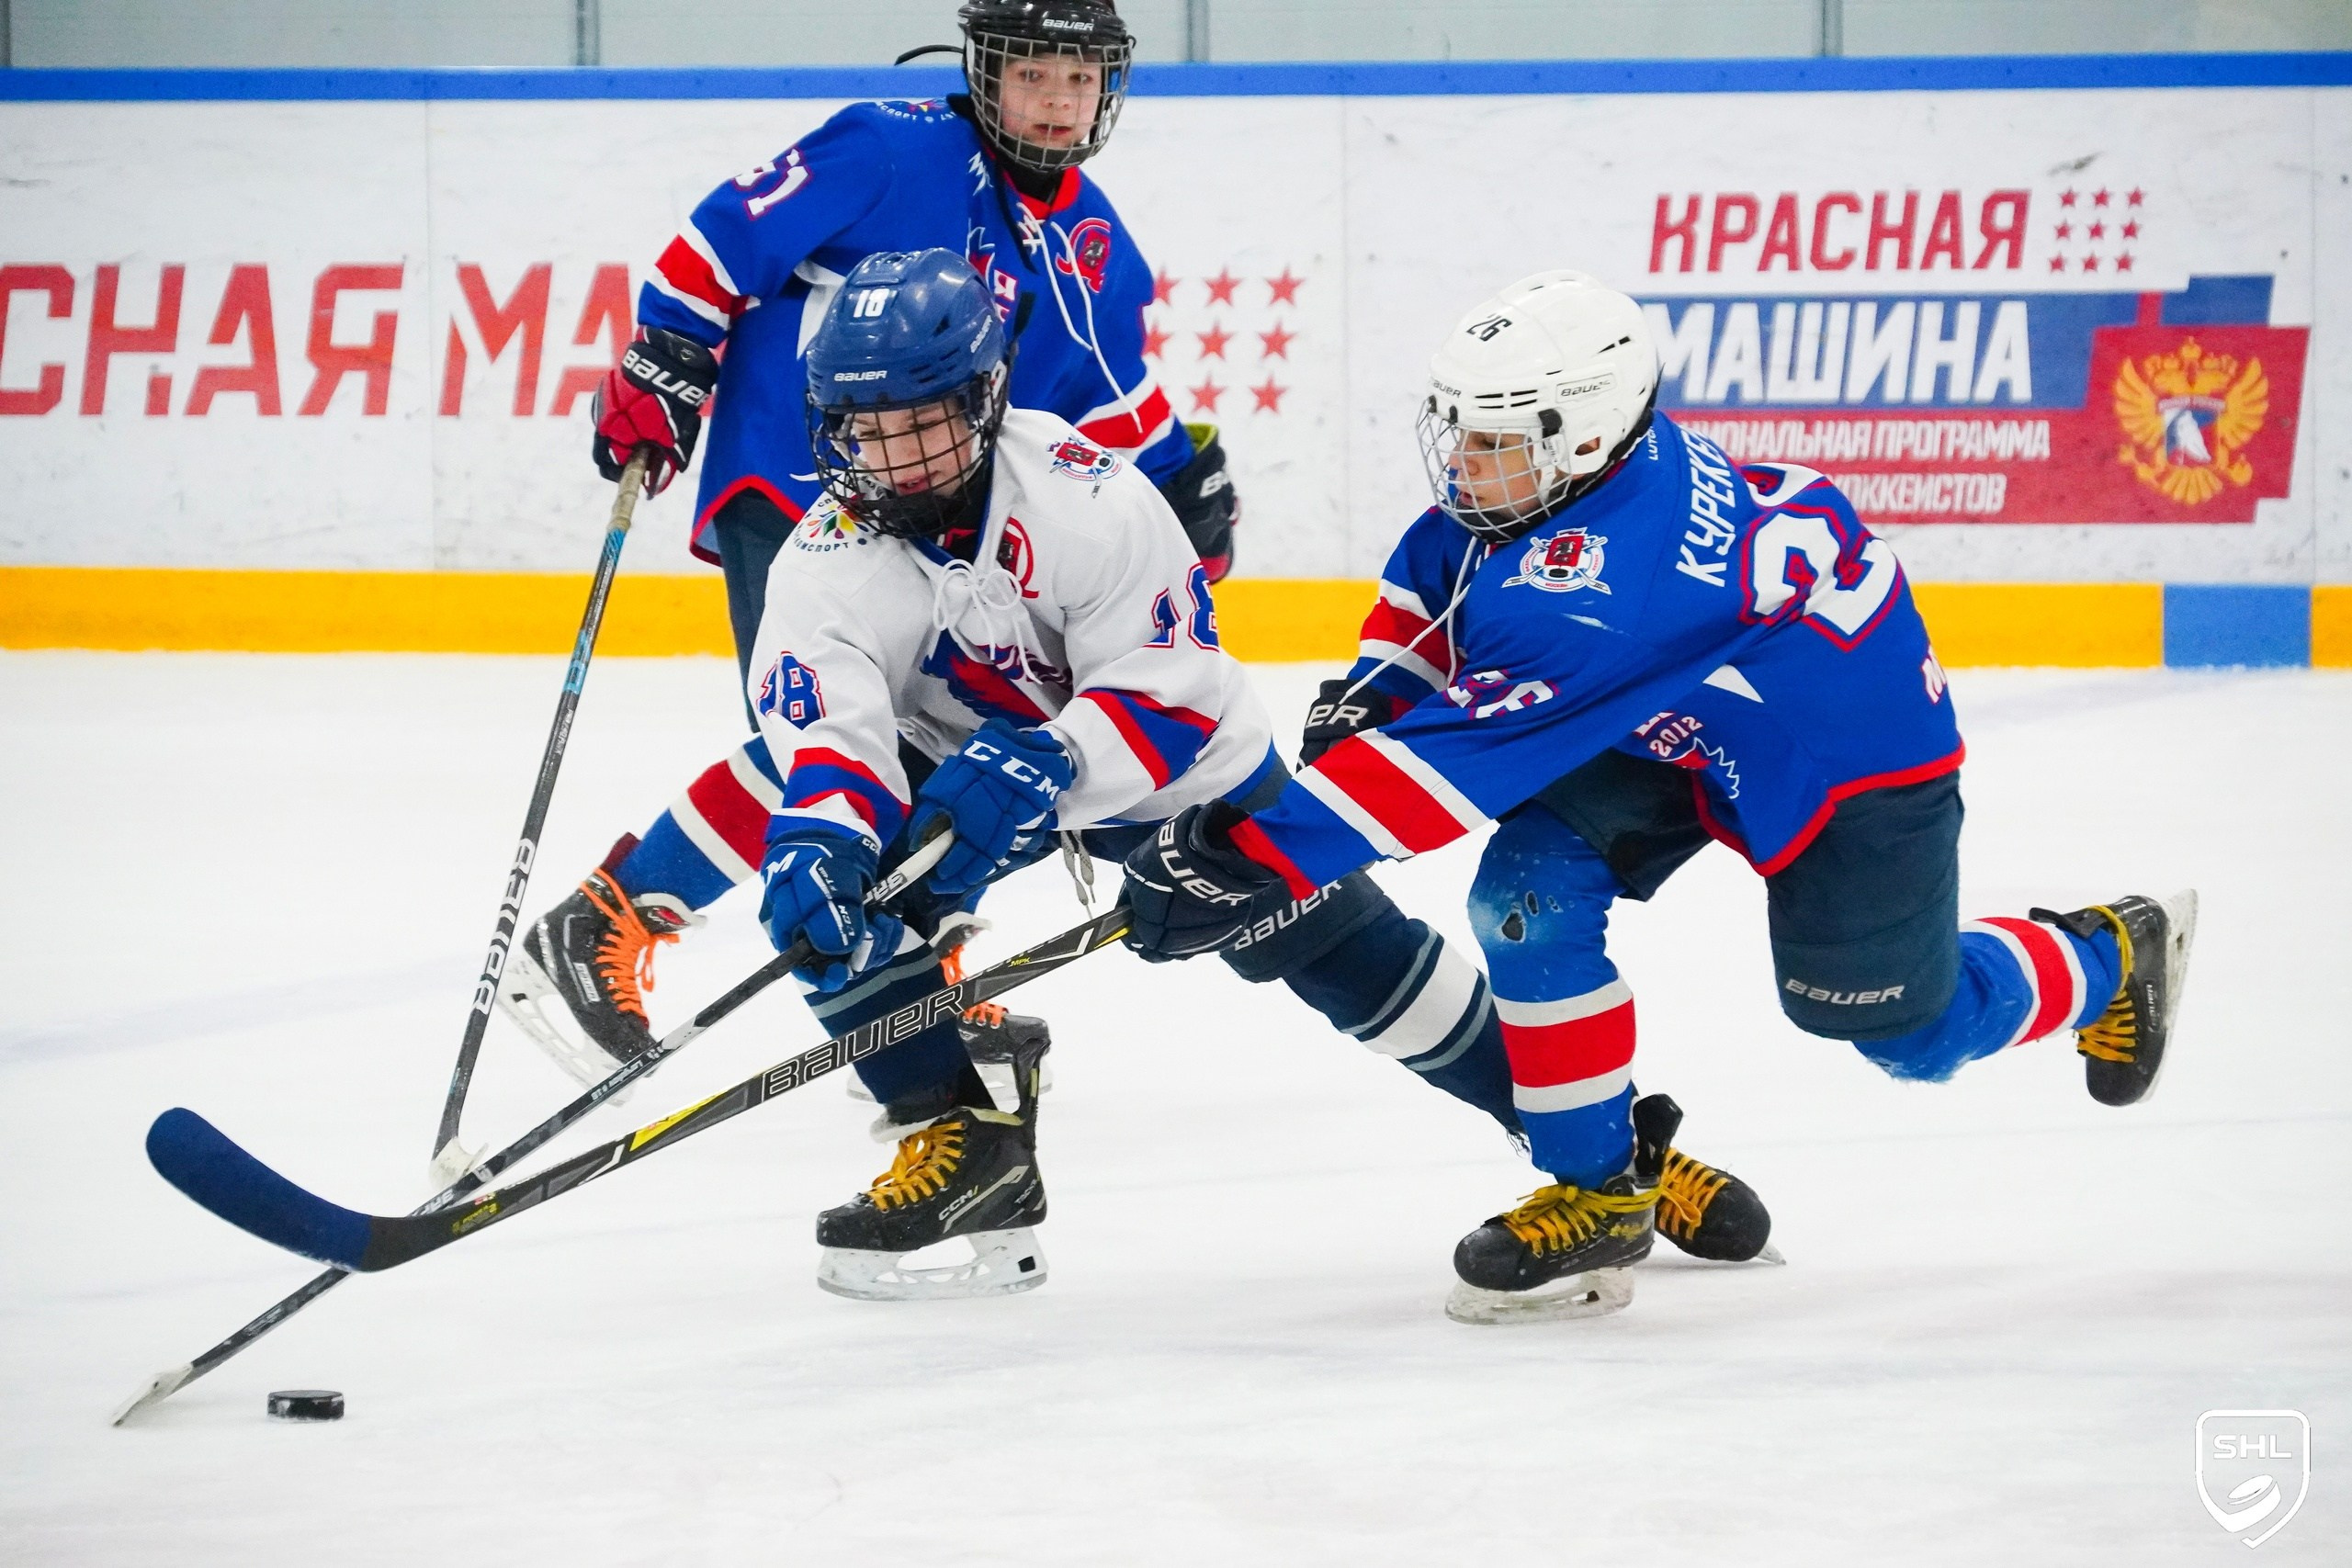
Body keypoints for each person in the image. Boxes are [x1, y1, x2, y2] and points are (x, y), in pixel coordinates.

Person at [1118, 269, 2198, 1325]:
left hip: (1840, 759)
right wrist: (1376, 689)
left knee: (1905, 1032)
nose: (1466, 462)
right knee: (1523, 898)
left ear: (1582, 434)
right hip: (1663, 723)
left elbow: (1451, 767)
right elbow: (1443, 576)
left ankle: (2105, 953)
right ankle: (1599, 1191)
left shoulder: (1619, 595)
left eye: (1495, 440)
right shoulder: (1571, 479)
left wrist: (1257, 854)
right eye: (1464, 429)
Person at [741, 248, 1770, 1301]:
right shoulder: (825, 556)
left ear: (984, 395)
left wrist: (1053, 759)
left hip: (1166, 774)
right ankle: (965, 1150)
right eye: (863, 428)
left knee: (1354, 965)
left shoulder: (1085, 497)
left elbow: (1171, 689)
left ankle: (1607, 1149)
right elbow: (833, 731)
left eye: (917, 422)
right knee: (832, 909)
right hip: (966, 776)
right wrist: (822, 838)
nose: (891, 456)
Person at [501, 0, 1239, 1089]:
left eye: (1076, 81)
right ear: (984, 72)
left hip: (935, 518)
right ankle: (607, 923)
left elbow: (1108, 388)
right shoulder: (891, 144)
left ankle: (901, 978)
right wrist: (666, 350)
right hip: (801, 483)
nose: (1054, 101)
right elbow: (721, 237)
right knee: (833, 742)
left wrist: (1180, 478)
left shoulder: (1090, 238)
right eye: (1031, 75)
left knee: (940, 741)